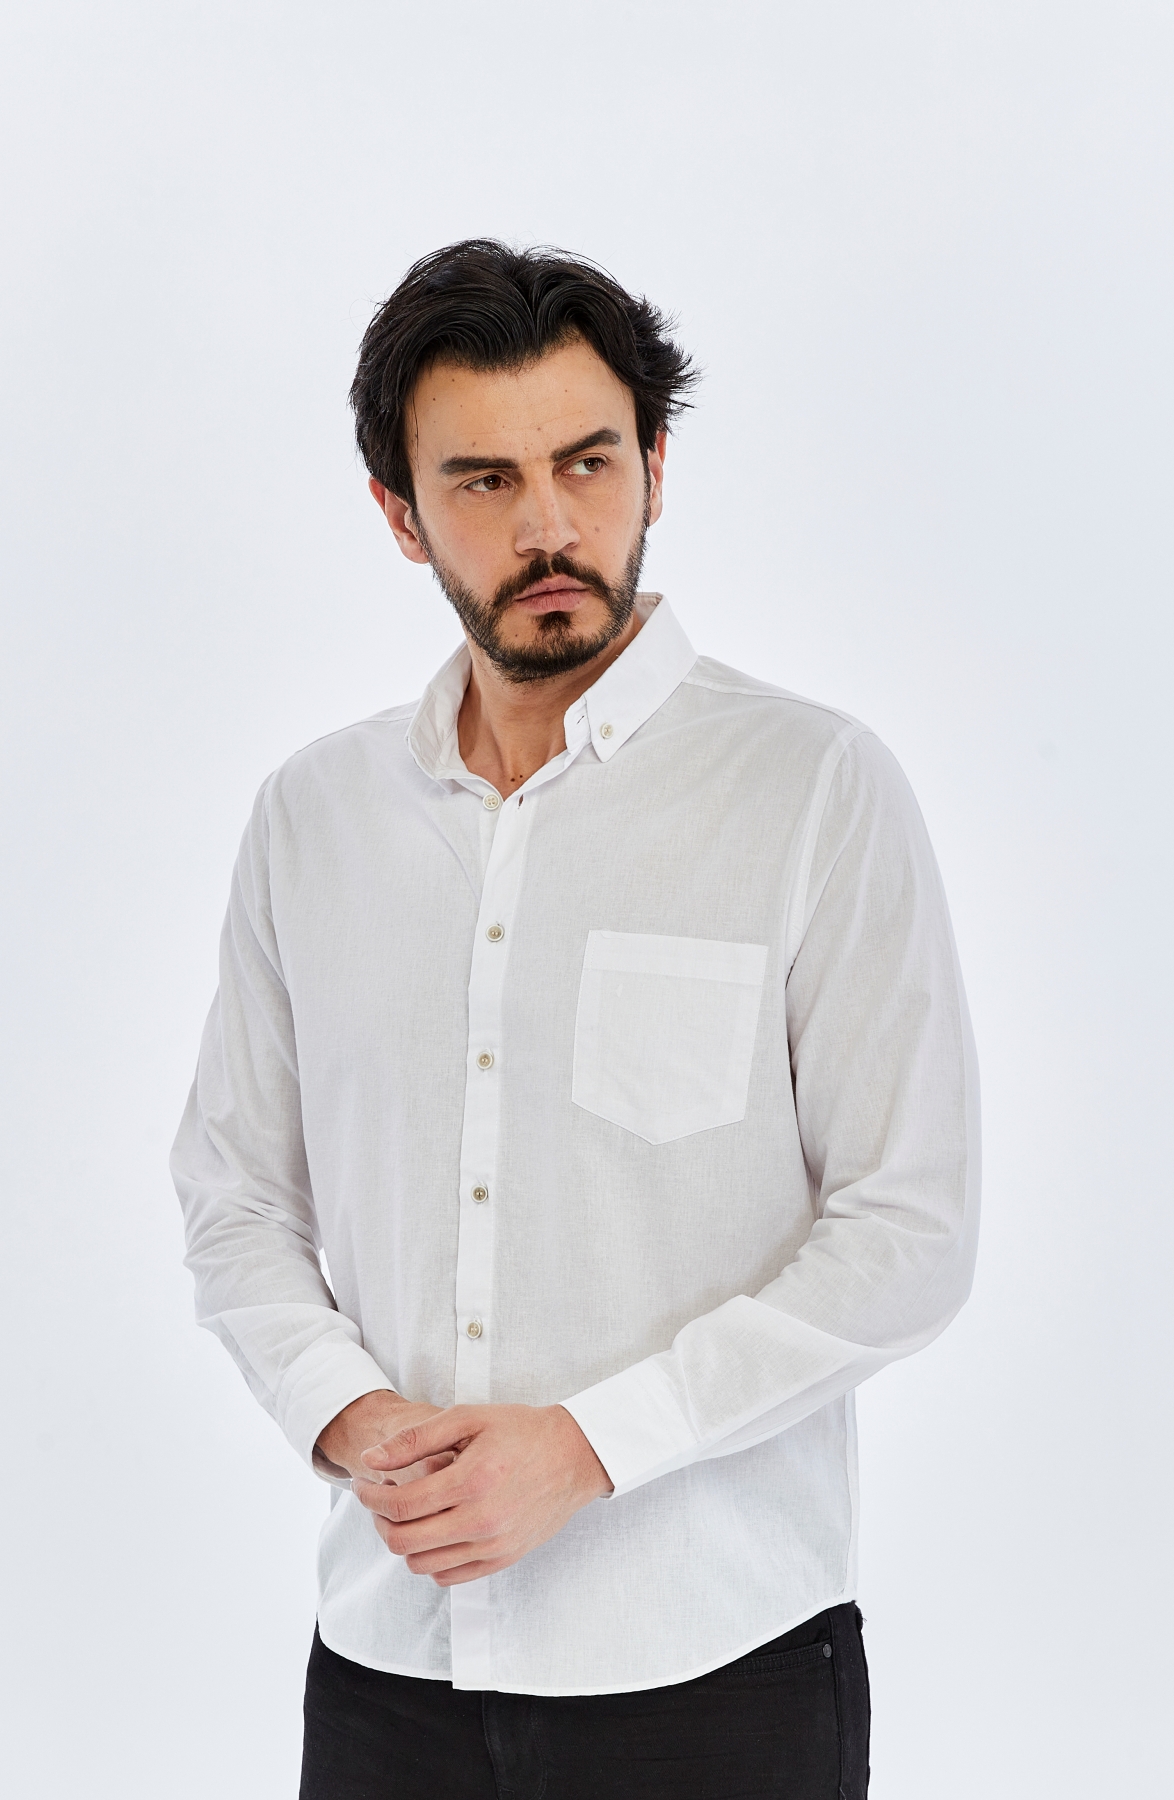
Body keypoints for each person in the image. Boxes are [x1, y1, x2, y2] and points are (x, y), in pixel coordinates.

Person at [172, 239, 980, 1799]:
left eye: (586, 463)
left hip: (717, 1669)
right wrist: (349, 1416)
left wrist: (593, 1447)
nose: (548, 525)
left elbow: (909, 1229)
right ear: (400, 515)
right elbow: (236, 1196)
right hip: (387, 1665)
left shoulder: (813, 790)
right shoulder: (313, 819)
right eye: (483, 481)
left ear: (655, 466)